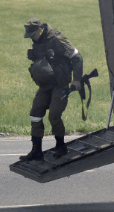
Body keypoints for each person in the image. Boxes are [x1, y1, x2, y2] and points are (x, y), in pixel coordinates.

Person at [21, 18, 84, 161]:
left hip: (60, 85)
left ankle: (61, 147)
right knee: (35, 115)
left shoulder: (57, 40)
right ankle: (36, 151)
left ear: (40, 30)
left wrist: (77, 79)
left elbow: (77, 57)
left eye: (32, 34)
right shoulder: (37, 42)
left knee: (54, 116)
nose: (31, 38)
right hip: (45, 85)